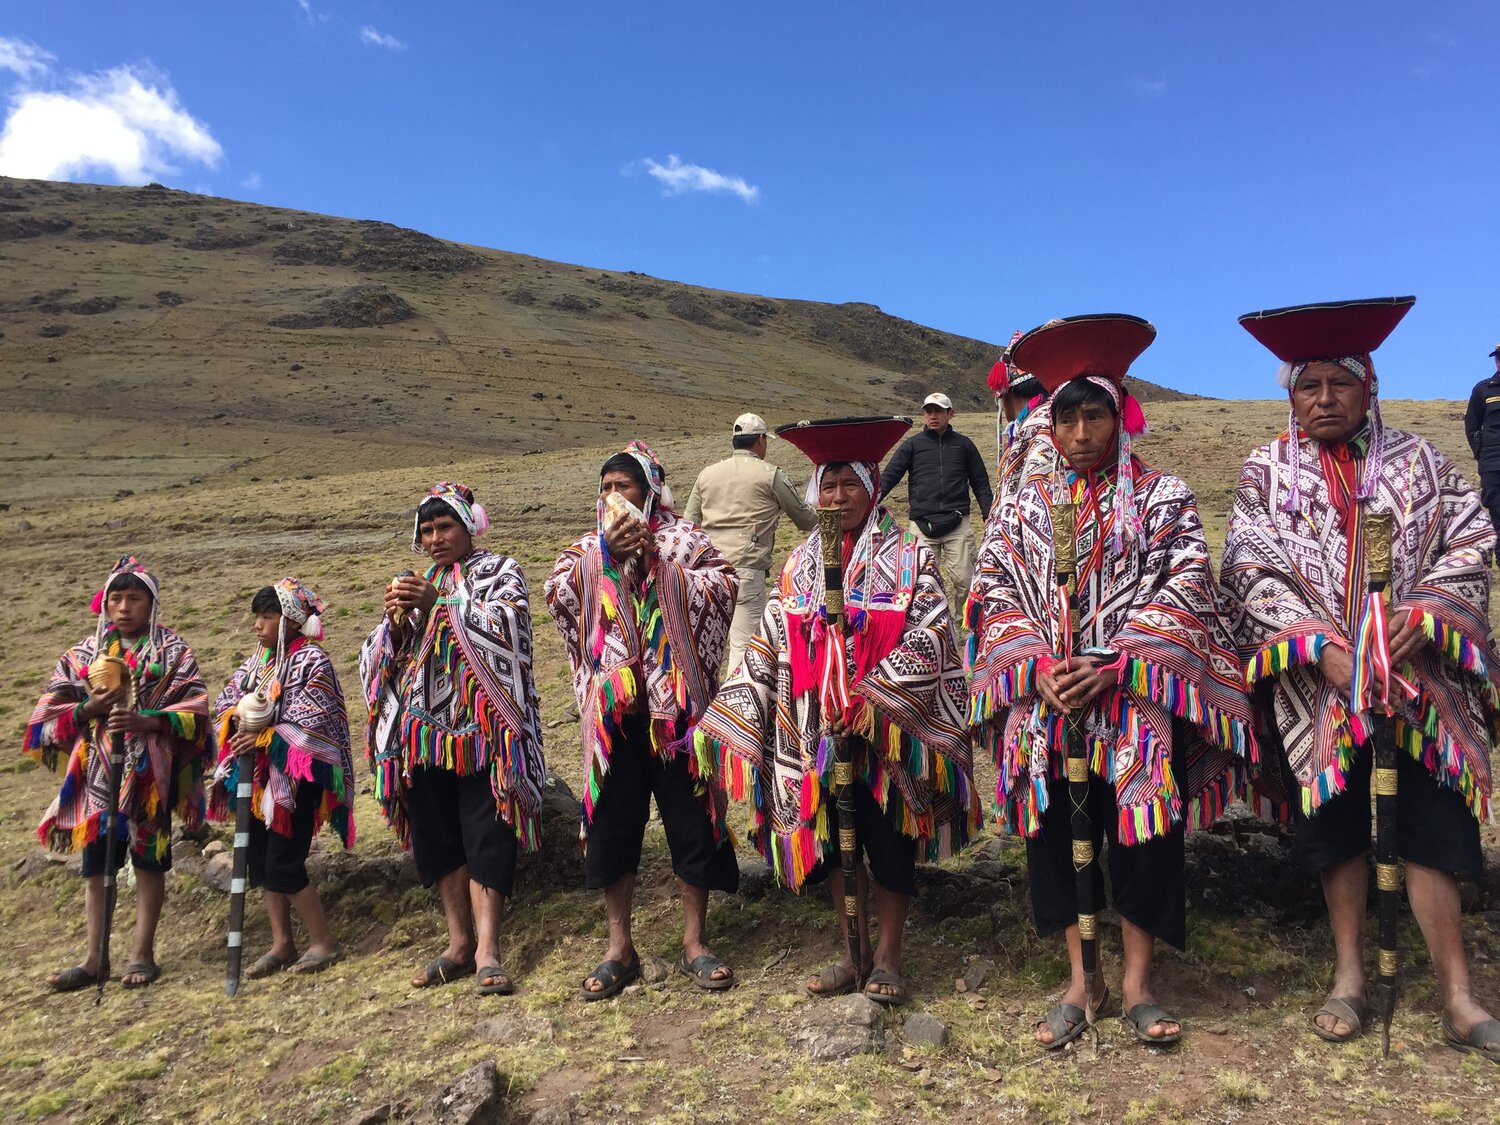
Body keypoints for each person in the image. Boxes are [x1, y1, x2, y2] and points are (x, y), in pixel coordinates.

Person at [1224, 296, 1499, 1061]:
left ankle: (1457, 992)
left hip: (1422, 681)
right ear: (1290, 395)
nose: (1322, 399)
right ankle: (1348, 971)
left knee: (1433, 824)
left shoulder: (1422, 461)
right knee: (1337, 822)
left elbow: (1471, 541)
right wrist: (1322, 648)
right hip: (1321, 685)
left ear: (1368, 387)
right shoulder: (1263, 471)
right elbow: (1248, 565)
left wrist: (1425, 616)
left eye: (1337, 384)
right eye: (1307, 386)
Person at [967, 315, 1254, 1050]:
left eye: (1095, 413)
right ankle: (1077, 978)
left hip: (1131, 700)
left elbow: (1190, 581)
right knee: (1055, 831)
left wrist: (1117, 660)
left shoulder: (1163, 496)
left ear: (1118, 416)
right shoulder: (1020, 507)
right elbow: (991, 591)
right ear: (1051, 426)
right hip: (1046, 697)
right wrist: (1035, 662)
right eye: (1068, 415)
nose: (1082, 429)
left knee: (1142, 833)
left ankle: (1136, 982)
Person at [696, 416, 979, 1006]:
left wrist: (874, 699)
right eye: (828, 485)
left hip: (885, 733)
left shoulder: (908, 561)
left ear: (873, 488)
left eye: (850, 484)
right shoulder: (799, 564)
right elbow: (772, 631)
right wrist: (737, 705)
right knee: (830, 842)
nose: (838, 496)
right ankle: (852, 950)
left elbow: (931, 636)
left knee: (889, 844)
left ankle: (890, 956)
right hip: (814, 730)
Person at [546, 440, 740, 1000]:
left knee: (688, 821)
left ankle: (695, 942)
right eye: (605, 487)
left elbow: (723, 590)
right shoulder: (583, 550)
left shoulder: (686, 541)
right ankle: (618, 947)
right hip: (614, 722)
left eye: (623, 486)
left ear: (649, 491)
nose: (612, 496)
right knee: (613, 825)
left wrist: (659, 564)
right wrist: (604, 561)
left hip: (676, 717)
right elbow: (558, 599)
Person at [361, 482, 548, 996]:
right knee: (437, 834)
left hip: (483, 731)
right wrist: (395, 628)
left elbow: (509, 631)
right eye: (426, 530)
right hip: (420, 736)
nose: (436, 538)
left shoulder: (501, 571)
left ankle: (489, 949)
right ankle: (458, 942)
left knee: (486, 832)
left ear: (470, 526)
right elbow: (382, 659)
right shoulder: (418, 580)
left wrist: (440, 605)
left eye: (445, 527)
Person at [26, 556, 211, 991]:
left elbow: (197, 711)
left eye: (134, 598)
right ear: (104, 604)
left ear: (152, 604)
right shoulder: (82, 656)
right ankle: (95, 959)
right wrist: (90, 708)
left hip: (151, 776)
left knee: (150, 860)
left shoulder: (173, 652)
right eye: (116, 598)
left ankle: (142, 954)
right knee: (96, 863)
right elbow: (46, 714)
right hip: (97, 774)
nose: (124, 607)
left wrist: (147, 721)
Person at [210, 578, 353, 977]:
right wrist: (236, 721)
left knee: (285, 863)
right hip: (256, 782)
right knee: (261, 861)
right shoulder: (258, 661)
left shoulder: (313, 662)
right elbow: (226, 702)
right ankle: (281, 943)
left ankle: (323, 942)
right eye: (257, 616)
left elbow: (314, 724)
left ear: (291, 620)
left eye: (267, 616)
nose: (258, 625)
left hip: (296, 784)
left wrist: (265, 735)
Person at [683, 412, 817, 672]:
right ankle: (735, 706)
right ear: (759, 441)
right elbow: (805, 520)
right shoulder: (770, 475)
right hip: (746, 571)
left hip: (707, 573)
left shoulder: (706, 474)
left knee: (707, 646)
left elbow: (689, 525)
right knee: (743, 648)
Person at [879, 392, 993, 605]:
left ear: (950, 414)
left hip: (957, 523)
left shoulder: (964, 445)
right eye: (929, 411)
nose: (933, 416)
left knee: (965, 582)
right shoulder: (912, 445)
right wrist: (871, 502)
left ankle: (966, 630)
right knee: (919, 584)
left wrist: (989, 515)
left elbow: (980, 482)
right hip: (921, 525)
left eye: (938, 411)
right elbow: (889, 476)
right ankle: (926, 626)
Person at [1463, 339, 1500, 536]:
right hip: (1493, 464)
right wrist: (1482, 453)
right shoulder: (1483, 389)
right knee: (1498, 516)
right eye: (1498, 358)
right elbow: (1471, 425)